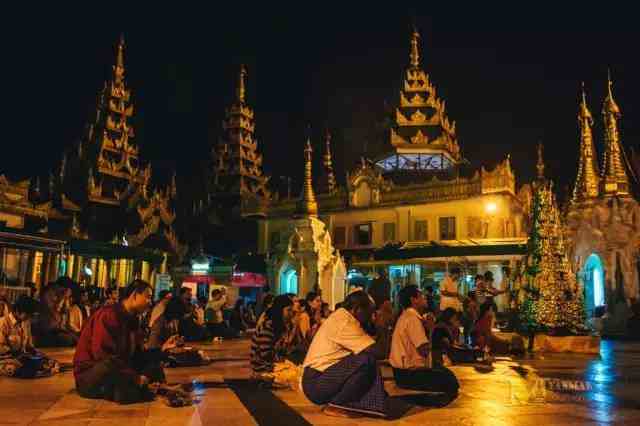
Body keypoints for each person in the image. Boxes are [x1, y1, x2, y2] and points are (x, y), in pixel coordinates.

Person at [73, 280, 166, 404]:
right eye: (148, 297)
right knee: (116, 376)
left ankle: (138, 387)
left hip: (118, 368)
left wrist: (163, 350)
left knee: (155, 367)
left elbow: (138, 355)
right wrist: (135, 378)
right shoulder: (108, 315)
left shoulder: (133, 319)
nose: (150, 302)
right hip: (92, 374)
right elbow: (102, 356)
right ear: (134, 296)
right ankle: (132, 388)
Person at [302, 290, 388, 418]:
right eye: (369, 312)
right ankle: (337, 405)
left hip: (320, 378)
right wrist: (382, 326)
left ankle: (347, 402)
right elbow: (379, 352)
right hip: (316, 383)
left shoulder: (342, 316)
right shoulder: (345, 322)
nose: (371, 317)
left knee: (365, 359)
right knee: (366, 360)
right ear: (357, 309)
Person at [390, 286, 459, 399]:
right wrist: (431, 329)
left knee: (446, 375)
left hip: (402, 373)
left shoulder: (408, 316)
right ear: (413, 300)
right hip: (408, 374)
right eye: (421, 295)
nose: (425, 298)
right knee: (449, 381)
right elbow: (424, 350)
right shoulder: (412, 318)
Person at [0, 296, 60, 378]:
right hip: (6, 360)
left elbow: (29, 346)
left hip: (22, 357)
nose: (29, 317)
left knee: (49, 362)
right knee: (13, 368)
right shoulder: (3, 323)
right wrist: (18, 356)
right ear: (17, 311)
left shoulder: (25, 323)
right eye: (28, 314)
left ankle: (35, 370)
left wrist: (40, 355)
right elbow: (2, 348)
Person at [148, 298, 209, 367]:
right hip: (159, 354)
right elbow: (153, 346)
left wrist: (177, 341)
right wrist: (168, 346)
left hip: (168, 351)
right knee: (195, 357)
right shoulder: (160, 323)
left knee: (196, 353)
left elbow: (172, 338)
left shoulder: (172, 321)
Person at [250, 295, 295, 385]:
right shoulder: (268, 327)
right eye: (288, 310)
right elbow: (265, 355)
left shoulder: (281, 326)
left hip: (272, 366)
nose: (291, 314)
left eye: (292, 310)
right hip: (263, 368)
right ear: (279, 311)